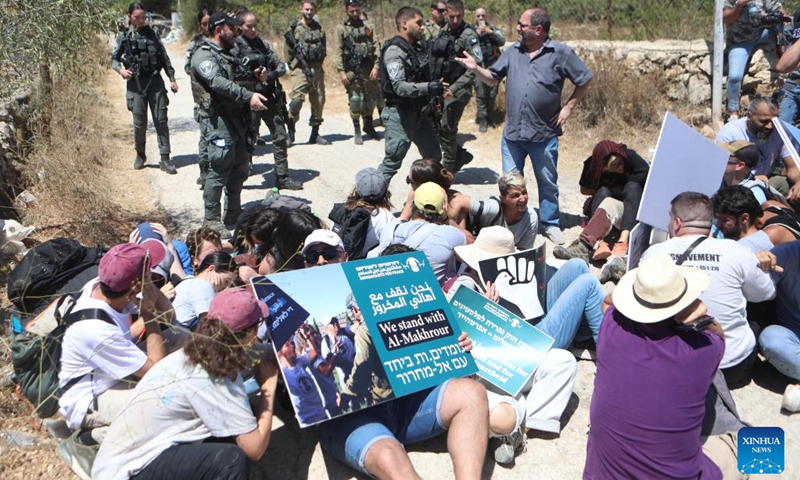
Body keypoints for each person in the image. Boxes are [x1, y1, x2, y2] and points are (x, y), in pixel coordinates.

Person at [91, 288, 279, 480]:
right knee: (231, 460)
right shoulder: (213, 378)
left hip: (118, 461)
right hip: (129, 472)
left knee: (235, 427)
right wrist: (268, 388)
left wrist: (276, 353)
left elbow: (253, 352)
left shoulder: (196, 353)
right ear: (249, 334)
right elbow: (255, 449)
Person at [456, 8, 593, 245]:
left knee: (547, 182)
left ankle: (550, 223)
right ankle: (511, 223)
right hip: (513, 135)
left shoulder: (560, 53)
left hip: (544, 134)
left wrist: (568, 107)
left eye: (522, 24)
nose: (517, 28)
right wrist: (476, 69)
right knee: (510, 183)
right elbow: (493, 77)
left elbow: (584, 79)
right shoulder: (513, 52)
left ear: (538, 29)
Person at [583, 253, 724, 479]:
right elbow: (719, 335)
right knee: (763, 443)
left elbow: (608, 301)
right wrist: (701, 315)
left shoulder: (611, 328)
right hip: (682, 474)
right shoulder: (704, 350)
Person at [56, 243, 172, 478]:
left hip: (112, 371)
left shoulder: (101, 286)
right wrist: (148, 313)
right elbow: (156, 372)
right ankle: (90, 440)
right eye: (146, 274)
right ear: (132, 290)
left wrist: (147, 283)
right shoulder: (95, 329)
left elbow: (170, 317)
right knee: (163, 404)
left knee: (178, 336)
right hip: (88, 397)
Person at [641, 192, 776, 388]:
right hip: (732, 366)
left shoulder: (655, 254)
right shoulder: (736, 251)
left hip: (676, 362)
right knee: (753, 305)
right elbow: (767, 293)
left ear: (677, 223)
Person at [191, 12, 270, 234]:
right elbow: (217, 82)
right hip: (218, 121)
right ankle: (212, 220)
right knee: (219, 168)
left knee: (239, 167)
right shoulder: (203, 56)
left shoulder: (228, 54)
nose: (236, 32)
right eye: (231, 28)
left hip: (237, 119)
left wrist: (255, 76)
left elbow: (237, 76)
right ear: (218, 30)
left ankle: (233, 213)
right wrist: (248, 96)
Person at [377, 7, 448, 182]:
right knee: (391, 163)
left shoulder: (412, 49)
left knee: (433, 156)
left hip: (418, 113)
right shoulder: (395, 51)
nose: (422, 27)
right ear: (404, 24)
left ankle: (420, 194)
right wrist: (429, 87)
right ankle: (368, 200)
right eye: (418, 23)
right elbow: (400, 87)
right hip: (399, 115)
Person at [235, 12, 303, 191]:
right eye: (249, 26)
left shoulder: (262, 44)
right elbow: (231, 74)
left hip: (267, 97)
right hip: (247, 99)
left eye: (255, 25)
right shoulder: (235, 46)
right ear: (240, 26)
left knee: (280, 134)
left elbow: (281, 66)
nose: (253, 29)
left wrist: (269, 75)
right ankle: (238, 178)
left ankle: (282, 176)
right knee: (246, 139)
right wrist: (252, 76)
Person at [553, 140, 649, 264]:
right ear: (604, 169)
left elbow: (646, 173)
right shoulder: (593, 166)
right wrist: (610, 188)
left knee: (632, 187)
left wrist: (622, 185)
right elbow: (584, 189)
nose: (620, 167)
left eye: (620, 163)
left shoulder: (628, 156)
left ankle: (622, 242)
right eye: (615, 166)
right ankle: (584, 247)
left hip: (632, 205)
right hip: (613, 204)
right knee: (603, 192)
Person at [111, 2, 179, 174]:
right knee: (139, 124)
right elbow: (114, 59)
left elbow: (163, 57)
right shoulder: (124, 36)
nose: (141, 20)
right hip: (136, 84)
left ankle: (165, 158)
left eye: (143, 17)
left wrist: (171, 78)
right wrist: (121, 71)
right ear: (129, 17)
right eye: (137, 17)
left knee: (161, 120)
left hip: (155, 81)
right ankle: (140, 155)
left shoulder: (153, 34)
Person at [370, 182, 467, 282]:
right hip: (433, 293)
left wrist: (409, 202)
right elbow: (470, 241)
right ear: (443, 207)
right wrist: (449, 217)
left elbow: (404, 215)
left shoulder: (392, 229)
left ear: (413, 205)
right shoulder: (448, 234)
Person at [429, 0, 480, 174]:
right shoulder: (443, 31)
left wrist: (455, 88)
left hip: (460, 89)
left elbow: (476, 67)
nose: (456, 20)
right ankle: (459, 154)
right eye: (452, 17)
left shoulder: (468, 35)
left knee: (448, 126)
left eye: (459, 16)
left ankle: (447, 172)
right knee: (435, 125)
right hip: (443, 87)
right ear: (446, 14)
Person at [716, 96, 800, 200]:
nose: (769, 126)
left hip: (766, 181)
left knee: (789, 186)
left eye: (773, 121)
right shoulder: (729, 133)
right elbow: (719, 170)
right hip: (736, 185)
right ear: (749, 116)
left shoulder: (779, 132)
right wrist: (752, 179)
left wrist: (799, 181)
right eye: (764, 121)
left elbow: (792, 167)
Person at [723, 0, 785, 121]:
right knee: (735, 76)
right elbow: (727, 20)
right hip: (740, 41)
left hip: (764, 34)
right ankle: (733, 113)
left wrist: (783, 18)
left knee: (786, 34)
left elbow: (779, 11)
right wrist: (739, 5)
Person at [448, 170, 539, 249]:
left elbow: (524, 251)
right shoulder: (493, 208)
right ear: (502, 198)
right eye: (515, 196)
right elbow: (457, 200)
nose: (523, 199)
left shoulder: (531, 218)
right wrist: (460, 231)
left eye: (524, 193)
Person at [758, 243, 800, 414]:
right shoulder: (785, 254)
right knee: (771, 338)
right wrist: (755, 264)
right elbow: (755, 289)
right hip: (794, 336)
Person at [334, 0, 381, 145]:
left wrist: (376, 66)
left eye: (357, 11)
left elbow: (376, 46)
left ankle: (368, 125)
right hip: (351, 70)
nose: (355, 14)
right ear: (346, 11)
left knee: (370, 99)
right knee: (355, 100)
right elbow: (338, 52)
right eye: (351, 11)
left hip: (368, 69)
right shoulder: (341, 29)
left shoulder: (368, 26)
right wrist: (341, 72)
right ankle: (357, 130)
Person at [285, 1, 329, 145]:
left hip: (316, 69)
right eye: (306, 9)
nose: (309, 12)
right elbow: (287, 50)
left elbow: (324, 47)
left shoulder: (320, 29)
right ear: (301, 9)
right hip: (299, 69)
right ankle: (290, 134)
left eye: (311, 10)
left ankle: (315, 134)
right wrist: (290, 65)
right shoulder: (295, 28)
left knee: (318, 100)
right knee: (296, 100)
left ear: (315, 11)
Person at [328, 167, 397, 260]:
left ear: (357, 189)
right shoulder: (387, 217)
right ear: (385, 190)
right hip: (359, 264)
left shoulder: (343, 207)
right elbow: (386, 248)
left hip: (333, 258)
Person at [172, 250, 239, 329]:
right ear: (211, 269)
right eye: (226, 280)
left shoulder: (189, 282)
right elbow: (209, 324)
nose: (226, 287)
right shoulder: (202, 286)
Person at [185, 9, 211, 188]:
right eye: (204, 24)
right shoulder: (196, 44)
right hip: (203, 95)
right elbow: (188, 67)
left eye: (210, 23)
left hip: (222, 96)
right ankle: (204, 170)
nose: (208, 27)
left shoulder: (223, 40)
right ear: (199, 25)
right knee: (205, 133)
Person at [712, 185, 774, 252]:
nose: (718, 224)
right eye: (717, 218)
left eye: (724, 220)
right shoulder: (761, 239)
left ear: (744, 219)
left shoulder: (743, 249)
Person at [473, 7, 505, 133]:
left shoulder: (493, 29)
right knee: (481, 94)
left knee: (492, 94)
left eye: (483, 16)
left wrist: (490, 32)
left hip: (493, 66)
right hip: (478, 67)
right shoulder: (470, 30)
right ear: (475, 17)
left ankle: (490, 115)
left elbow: (502, 41)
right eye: (478, 16)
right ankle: (482, 119)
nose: (481, 18)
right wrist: (476, 33)